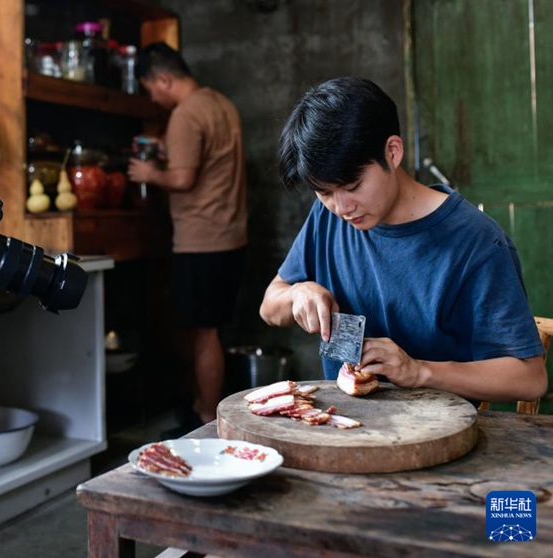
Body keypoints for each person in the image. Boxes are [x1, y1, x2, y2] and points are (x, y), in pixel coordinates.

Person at [259, 76, 548, 404]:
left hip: (440, 439)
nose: (341, 207)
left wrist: (419, 372)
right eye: (324, 192)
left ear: (392, 152)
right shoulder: (327, 217)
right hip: (345, 431)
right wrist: (299, 293)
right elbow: (270, 307)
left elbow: (530, 378)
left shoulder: (476, 242)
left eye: (353, 186)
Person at [127, 42, 248, 429]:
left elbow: (183, 178)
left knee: (203, 333)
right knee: (212, 328)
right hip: (231, 236)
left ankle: (208, 416)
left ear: (163, 79)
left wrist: (149, 175)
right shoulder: (220, 104)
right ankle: (203, 402)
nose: (153, 97)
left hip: (201, 240)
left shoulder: (184, 114)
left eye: (150, 89)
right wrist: (167, 147)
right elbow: (207, 156)